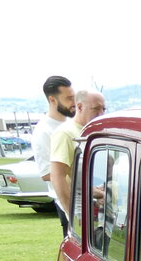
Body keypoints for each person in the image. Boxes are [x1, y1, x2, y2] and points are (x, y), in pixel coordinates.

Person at [49, 90, 106, 219]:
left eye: (103, 109)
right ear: (79, 107)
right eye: (96, 109)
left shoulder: (94, 133)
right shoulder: (65, 133)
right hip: (81, 213)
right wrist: (73, 216)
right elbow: (57, 177)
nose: (101, 114)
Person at [31, 75, 74, 233]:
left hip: (90, 199)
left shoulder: (72, 123)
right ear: (52, 99)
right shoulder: (43, 131)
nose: (73, 103)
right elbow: (47, 173)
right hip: (68, 204)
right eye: (68, 98)